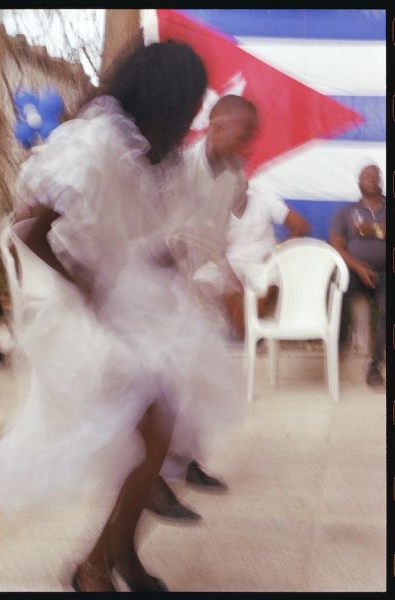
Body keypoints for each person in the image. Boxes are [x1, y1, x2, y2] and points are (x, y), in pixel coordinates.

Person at [0, 41, 243, 592]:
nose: (191, 114)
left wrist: (157, 258)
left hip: (116, 295)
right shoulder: (98, 140)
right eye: (189, 101)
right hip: (71, 304)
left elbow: (126, 226)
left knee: (161, 430)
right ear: (165, 95)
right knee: (152, 430)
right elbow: (29, 231)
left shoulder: (146, 150)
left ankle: (113, 557)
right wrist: (86, 286)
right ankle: (99, 565)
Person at [148, 95, 259, 518]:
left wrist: (227, 277)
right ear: (215, 125)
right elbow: (155, 227)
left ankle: (186, 460)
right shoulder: (177, 166)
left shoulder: (236, 174)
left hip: (197, 283)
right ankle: (151, 478)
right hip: (158, 285)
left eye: (251, 134)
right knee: (161, 381)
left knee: (195, 378)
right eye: (243, 132)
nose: (247, 142)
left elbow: (216, 230)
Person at [329, 163, 385, 388]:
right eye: (366, 175)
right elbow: (337, 244)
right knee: (337, 295)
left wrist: (374, 229)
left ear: (380, 181)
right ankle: (337, 351)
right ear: (358, 182)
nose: (371, 177)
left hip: (385, 273)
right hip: (354, 270)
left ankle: (374, 367)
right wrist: (357, 266)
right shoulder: (346, 212)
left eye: (375, 174)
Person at [227, 182, 309, 322]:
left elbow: (301, 226)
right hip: (230, 264)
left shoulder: (263, 200)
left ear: (246, 183)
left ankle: (251, 325)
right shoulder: (216, 207)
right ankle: (243, 324)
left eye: (238, 181)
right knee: (208, 277)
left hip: (264, 261)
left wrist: (278, 251)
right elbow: (208, 244)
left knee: (265, 283)